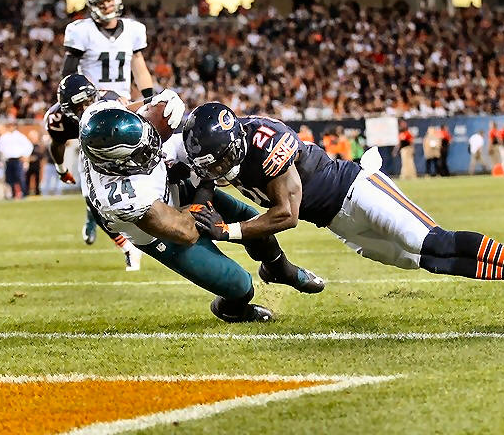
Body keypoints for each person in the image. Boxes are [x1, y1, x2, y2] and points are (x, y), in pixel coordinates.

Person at [181, 102, 504, 316]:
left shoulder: (266, 139)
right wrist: (200, 203)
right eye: (212, 163)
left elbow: (287, 213)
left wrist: (228, 231)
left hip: (358, 189)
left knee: (432, 241)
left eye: (223, 159)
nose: (219, 168)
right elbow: (202, 179)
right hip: (339, 223)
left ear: (237, 140)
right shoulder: (214, 150)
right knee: (430, 261)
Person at [79, 102, 323, 323]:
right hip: (163, 232)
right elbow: (186, 232)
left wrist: (157, 102)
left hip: (175, 190)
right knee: (239, 285)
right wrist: (206, 180)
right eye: (142, 153)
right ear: (118, 165)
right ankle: (232, 310)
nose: (152, 150)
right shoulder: (123, 198)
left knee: (253, 224)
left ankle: (280, 269)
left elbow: (136, 107)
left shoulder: (98, 118)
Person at [62, 0, 155, 248]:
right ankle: (93, 209)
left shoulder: (133, 30)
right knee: (95, 165)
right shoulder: (81, 31)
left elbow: (138, 65)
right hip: (92, 106)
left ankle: (135, 207)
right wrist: (96, 96)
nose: (107, 5)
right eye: (101, 2)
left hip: (123, 105)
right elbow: (68, 75)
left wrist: (149, 98)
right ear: (93, 6)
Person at [45, 74, 148, 270]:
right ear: (67, 109)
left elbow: (135, 118)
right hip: (90, 153)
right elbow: (57, 143)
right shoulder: (57, 119)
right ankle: (128, 248)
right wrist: (61, 170)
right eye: (79, 106)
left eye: (88, 101)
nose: (86, 108)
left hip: (118, 147)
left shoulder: (111, 100)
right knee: (96, 203)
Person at [0, 122, 33, 199]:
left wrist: (25, 155)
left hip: (18, 160)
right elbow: (0, 149)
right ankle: (13, 194)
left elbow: (29, 146)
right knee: (10, 178)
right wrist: (3, 158)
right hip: (8, 160)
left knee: (20, 177)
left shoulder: (19, 136)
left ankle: (24, 193)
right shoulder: (4, 137)